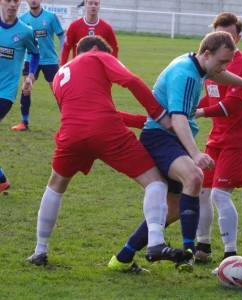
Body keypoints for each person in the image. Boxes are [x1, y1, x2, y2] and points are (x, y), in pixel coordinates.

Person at [108, 31, 242, 273]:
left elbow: (220, 75)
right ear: (206, 54)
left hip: (172, 139)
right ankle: (189, 253)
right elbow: (178, 118)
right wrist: (195, 154)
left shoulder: (198, 66)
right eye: (222, 61)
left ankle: (121, 258)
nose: (224, 67)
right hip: (161, 138)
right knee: (194, 176)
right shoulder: (185, 74)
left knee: (172, 211)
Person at [26, 35, 192, 270]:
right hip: (105, 130)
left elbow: (88, 110)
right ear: (95, 49)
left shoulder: (60, 76)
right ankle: (155, 242)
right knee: (156, 182)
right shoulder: (98, 55)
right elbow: (132, 81)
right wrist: (160, 116)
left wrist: (142, 121)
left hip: (71, 133)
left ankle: (39, 251)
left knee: (55, 186)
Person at [194, 12, 242, 275]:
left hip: (241, 138)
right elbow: (211, 99)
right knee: (202, 189)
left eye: (232, 38)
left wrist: (200, 113)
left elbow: (233, 105)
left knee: (220, 194)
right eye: (221, 36)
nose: (227, 44)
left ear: (239, 38)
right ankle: (203, 247)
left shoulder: (240, 65)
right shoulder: (212, 62)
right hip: (219, 138)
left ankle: (230, 255)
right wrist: (188, 107)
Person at [0, 0, 39, 192]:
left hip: (5, 93)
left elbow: (35, 53)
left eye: (16, 0)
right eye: (8, 0)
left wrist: (30, 76)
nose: (12, 4)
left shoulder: (25, 31)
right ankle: (1, 180)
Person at [11, 0, 64, 131]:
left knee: (58, 92)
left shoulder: (50, 16)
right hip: (31, 59)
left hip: (50, 60)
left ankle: (67, 122)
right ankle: (24, 122)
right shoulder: (23, 19)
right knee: (26, 89)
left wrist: (62, 54)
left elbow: (61, 35)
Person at [61, 0, 118, 65]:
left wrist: (111, 66)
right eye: (90, 3)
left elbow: (114, 49)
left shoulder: (107, 28)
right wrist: (63, 68)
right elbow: (66, 48)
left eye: (96, 4)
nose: (93, 6)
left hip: (99, 68)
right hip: (79, 67)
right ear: (85, 4)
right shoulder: (74, 26)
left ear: (99, 6)